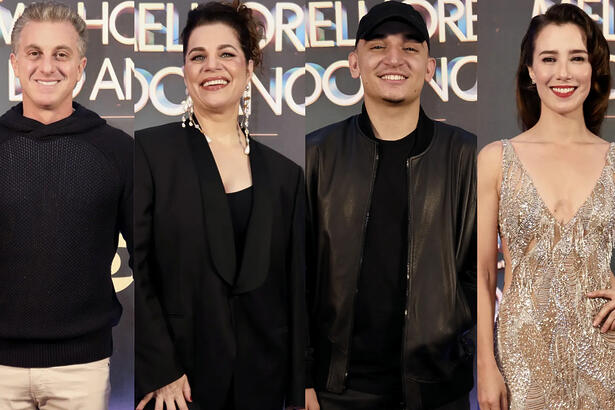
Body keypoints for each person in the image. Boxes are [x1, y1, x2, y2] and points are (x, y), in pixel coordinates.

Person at [305, 2, 477, 409]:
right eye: (379, 46)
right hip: (336, 391)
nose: (394, 59)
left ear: (430, 67)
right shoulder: (317, 153)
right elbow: (295, 276)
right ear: (354, 62)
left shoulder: (466, 154)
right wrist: (302, 376)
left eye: (410, 48)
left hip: (438, 387)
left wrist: (457, 345)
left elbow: (482, 270)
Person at [134, 2, 305, 409]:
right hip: (179, 388)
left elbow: (296, 291)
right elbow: (137, 271)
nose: (212, 67)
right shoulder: (150, 153)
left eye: (226, 54)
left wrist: (299, 387)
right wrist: (162, 370)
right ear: (185, 71)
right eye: (198, 56)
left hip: (263, 383)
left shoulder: (285, 176)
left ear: (249, 69)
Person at [477, 4, 615, 409]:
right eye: (549, 59)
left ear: (594, 70)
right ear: (530, 71)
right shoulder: (495, 160)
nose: (564, 73)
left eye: (577, 58)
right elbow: (484, 273)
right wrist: (486, 366)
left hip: (604, 355)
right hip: (521, 360)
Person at [0, 2, 133, 409]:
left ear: (81, 67)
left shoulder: (118, 151)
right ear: (15, 63)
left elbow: (155, 258)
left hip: (83, 369)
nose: (47, 67)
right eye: (34, 53)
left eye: (61, 54)